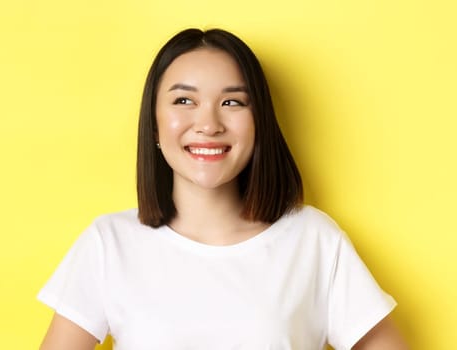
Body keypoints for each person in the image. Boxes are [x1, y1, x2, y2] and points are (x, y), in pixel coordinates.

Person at [37, 28, 408, 350]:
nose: (208, 124)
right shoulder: (109, 243)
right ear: (153, 124)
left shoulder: (312, 239)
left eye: (232, 102)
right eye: (185, 101)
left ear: (258, 121)